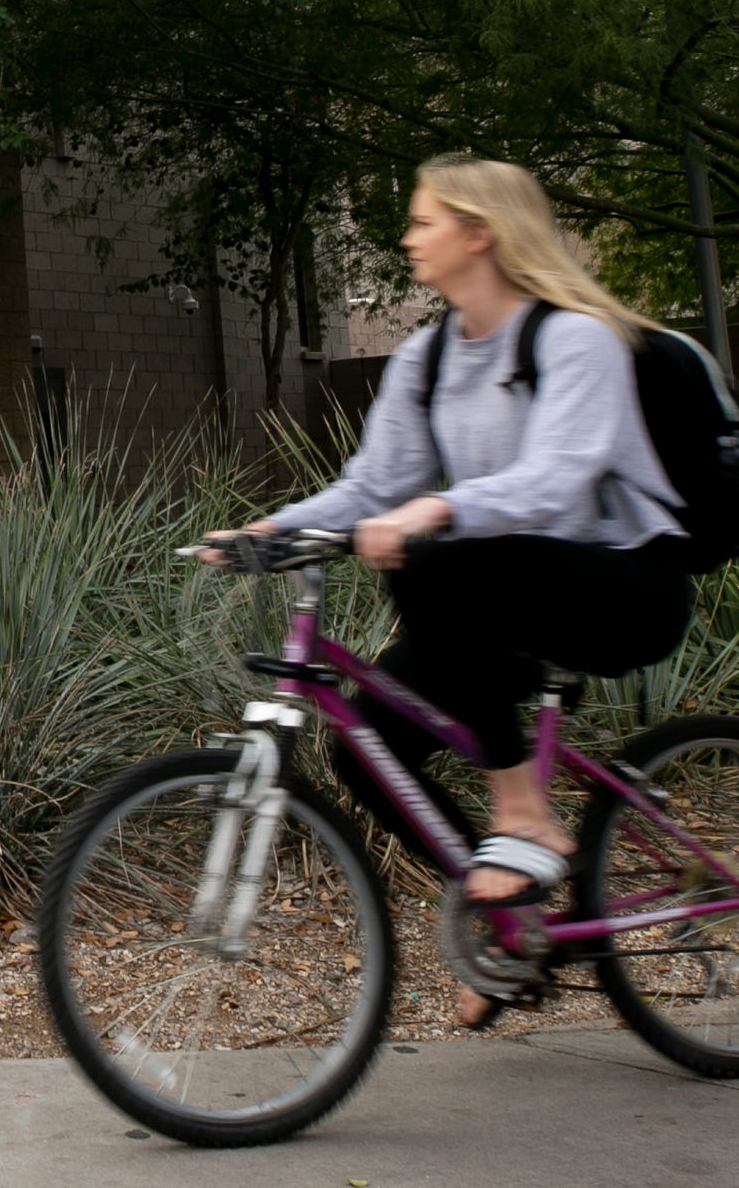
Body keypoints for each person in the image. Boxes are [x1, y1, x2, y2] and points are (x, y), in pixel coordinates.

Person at [203, 157, 696, 1028]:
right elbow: (372, 485)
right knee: (368, 750)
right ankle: (513, 920)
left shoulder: (574, 339)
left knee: (431, 561)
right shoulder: (427, 357)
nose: (407, 238)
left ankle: (524, 814)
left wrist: (437, 507)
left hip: (623, 585)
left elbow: (557, 477)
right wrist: (270, 529)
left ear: (480, 233)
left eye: (423, 220)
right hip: (502, 597)